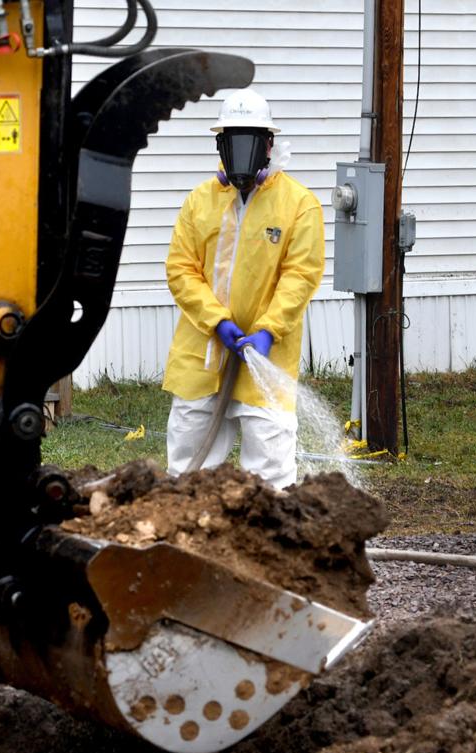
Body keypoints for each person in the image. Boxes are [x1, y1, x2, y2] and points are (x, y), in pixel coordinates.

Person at [161, 88, 325, 489]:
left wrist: (268, 330)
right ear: (220, 144)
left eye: (250, 140)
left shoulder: (299, 205)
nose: (241, 152)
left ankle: (268, 547)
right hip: (202, 357)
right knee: (187, 473)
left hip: (266, 362)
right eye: (232, 141)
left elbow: (300, 275)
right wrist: (217, 322)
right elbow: (180, 269)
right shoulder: (200, 202)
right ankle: (186, 546)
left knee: (271, 477)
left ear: (268, 145)